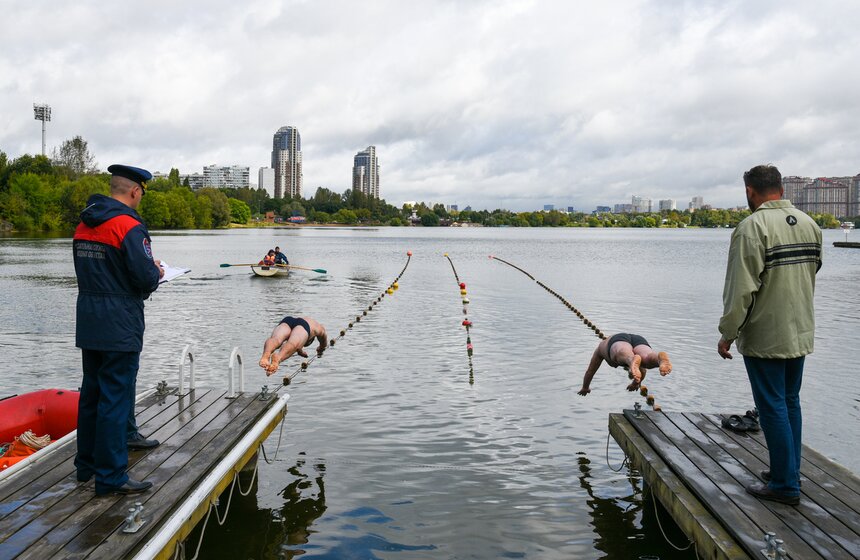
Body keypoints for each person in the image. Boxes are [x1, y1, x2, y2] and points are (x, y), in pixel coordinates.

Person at [718, 164, 822, 506]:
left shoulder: (752, 228)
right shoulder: (810, 224)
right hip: (799, 329)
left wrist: (727, 334)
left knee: (772, 405)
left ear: (751, 192)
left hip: (766, 334)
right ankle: (788, 470)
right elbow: (813, 268)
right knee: (790, 401)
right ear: (780, 187)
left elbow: (740, 290)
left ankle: (784, 485)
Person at [73, 164, 164, 496]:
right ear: (135, 191)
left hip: (89, 316)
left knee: (92, 394)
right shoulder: (129, 227)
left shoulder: (84, 224)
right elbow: (144, 278)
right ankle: (111, 477)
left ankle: (85, 466)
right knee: (114, 397)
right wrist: (155, 271)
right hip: (120, 320)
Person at [577, 333, 672, 395]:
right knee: (646, 358)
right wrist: (635, 383)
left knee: (620, 353)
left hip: (618, 339)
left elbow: (590, 371)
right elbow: (642, 370)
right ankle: (659, 360)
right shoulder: (605, 344)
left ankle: (631, 360)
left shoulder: (600, 349)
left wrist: (585, 387)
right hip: (639, 339)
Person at [259, 316, 328, 375]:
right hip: (304, 325)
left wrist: (301, 352)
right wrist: (321, 348)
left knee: (276, 339)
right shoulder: (319, 329)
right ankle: (278, 358)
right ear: (310, 340)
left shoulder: (314, 324)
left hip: (288, 320)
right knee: (292, 343)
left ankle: (265, 355)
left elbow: (299, 347)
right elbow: (324, 342)